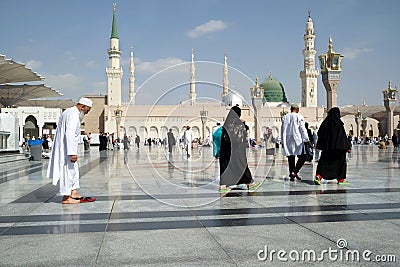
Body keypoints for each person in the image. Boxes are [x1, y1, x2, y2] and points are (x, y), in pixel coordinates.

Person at [47, 97, 96, 204]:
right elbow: (70, 134)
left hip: (64, 148)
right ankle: (66, 197)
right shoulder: (74, 115)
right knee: (68, 172)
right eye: (87, 110)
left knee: (73, 170)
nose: (87, 113)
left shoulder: (67, 112)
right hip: (67, 150)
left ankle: (73, 192)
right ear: (83, 107)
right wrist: (72, 153)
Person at [219, 106, 259, 192]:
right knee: (241, 164)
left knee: (226, 165)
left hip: (226, 150)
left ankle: (223, 185)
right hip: (236, 149)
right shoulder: (238, 122)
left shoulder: (227, 122)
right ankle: (250, 183)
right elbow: (242, 133)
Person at [314, 107, 351, 185]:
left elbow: (319, 133)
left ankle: (319, 176)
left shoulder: (325, 123)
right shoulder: (338, 124)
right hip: (338, 149)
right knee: (341, 162)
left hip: (327, 149)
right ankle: (341, 179)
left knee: (323, 162)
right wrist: (347, 147)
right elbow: (342, 137)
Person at [281, 103, 312, 181]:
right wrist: (307, 140)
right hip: (297, 140)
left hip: (288, 140)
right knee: (303, 157)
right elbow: (302, 129)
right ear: (297, 109)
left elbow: (282, 130)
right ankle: (294, 171)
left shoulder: (285, 117)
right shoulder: (299, 116)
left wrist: (283, 141)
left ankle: (292, 174)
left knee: (291, 158)